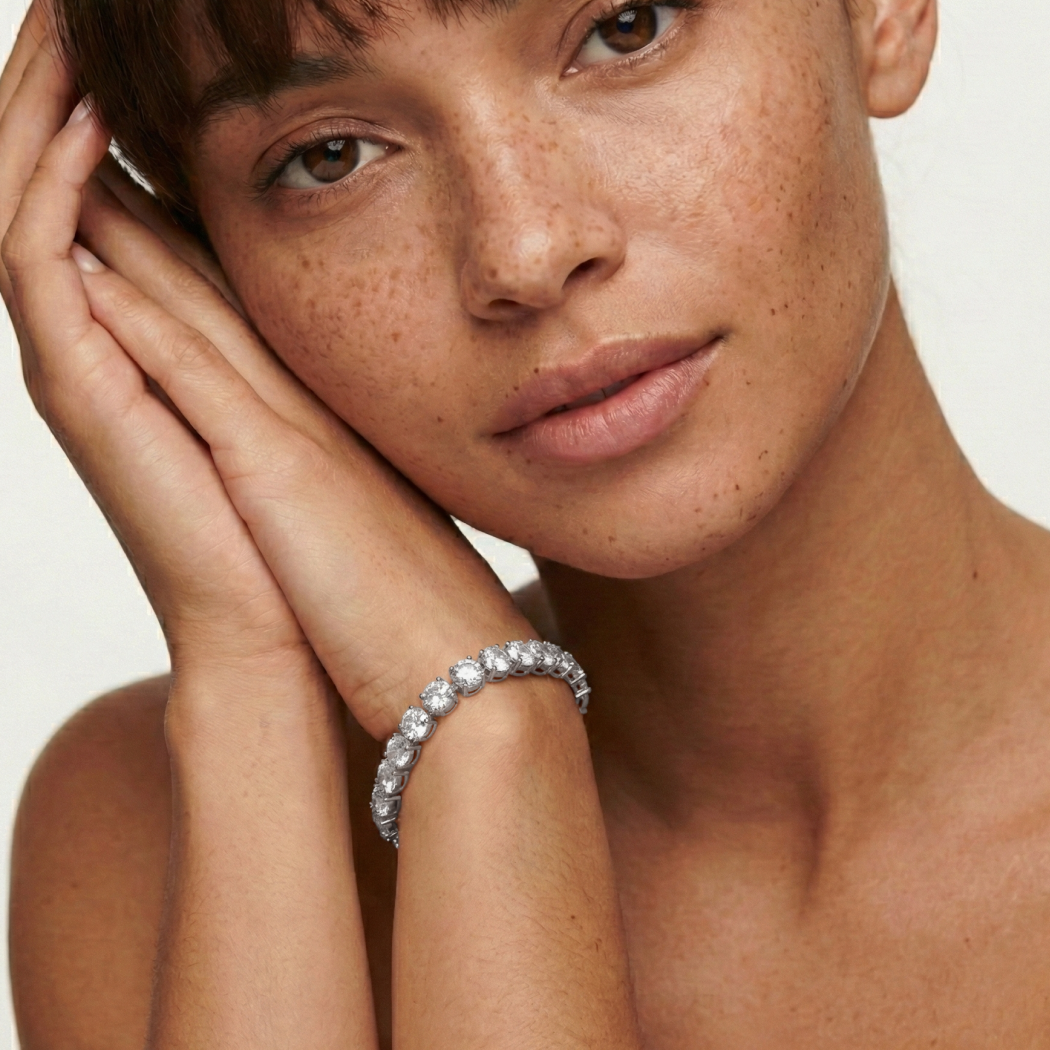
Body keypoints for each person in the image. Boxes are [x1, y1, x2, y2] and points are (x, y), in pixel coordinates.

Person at [5, 0, 1050, 1044]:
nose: (526, 253)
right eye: (330, 157)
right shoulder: (154, 833)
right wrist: (458, 733)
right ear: (200, 268)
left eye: (623, 29)